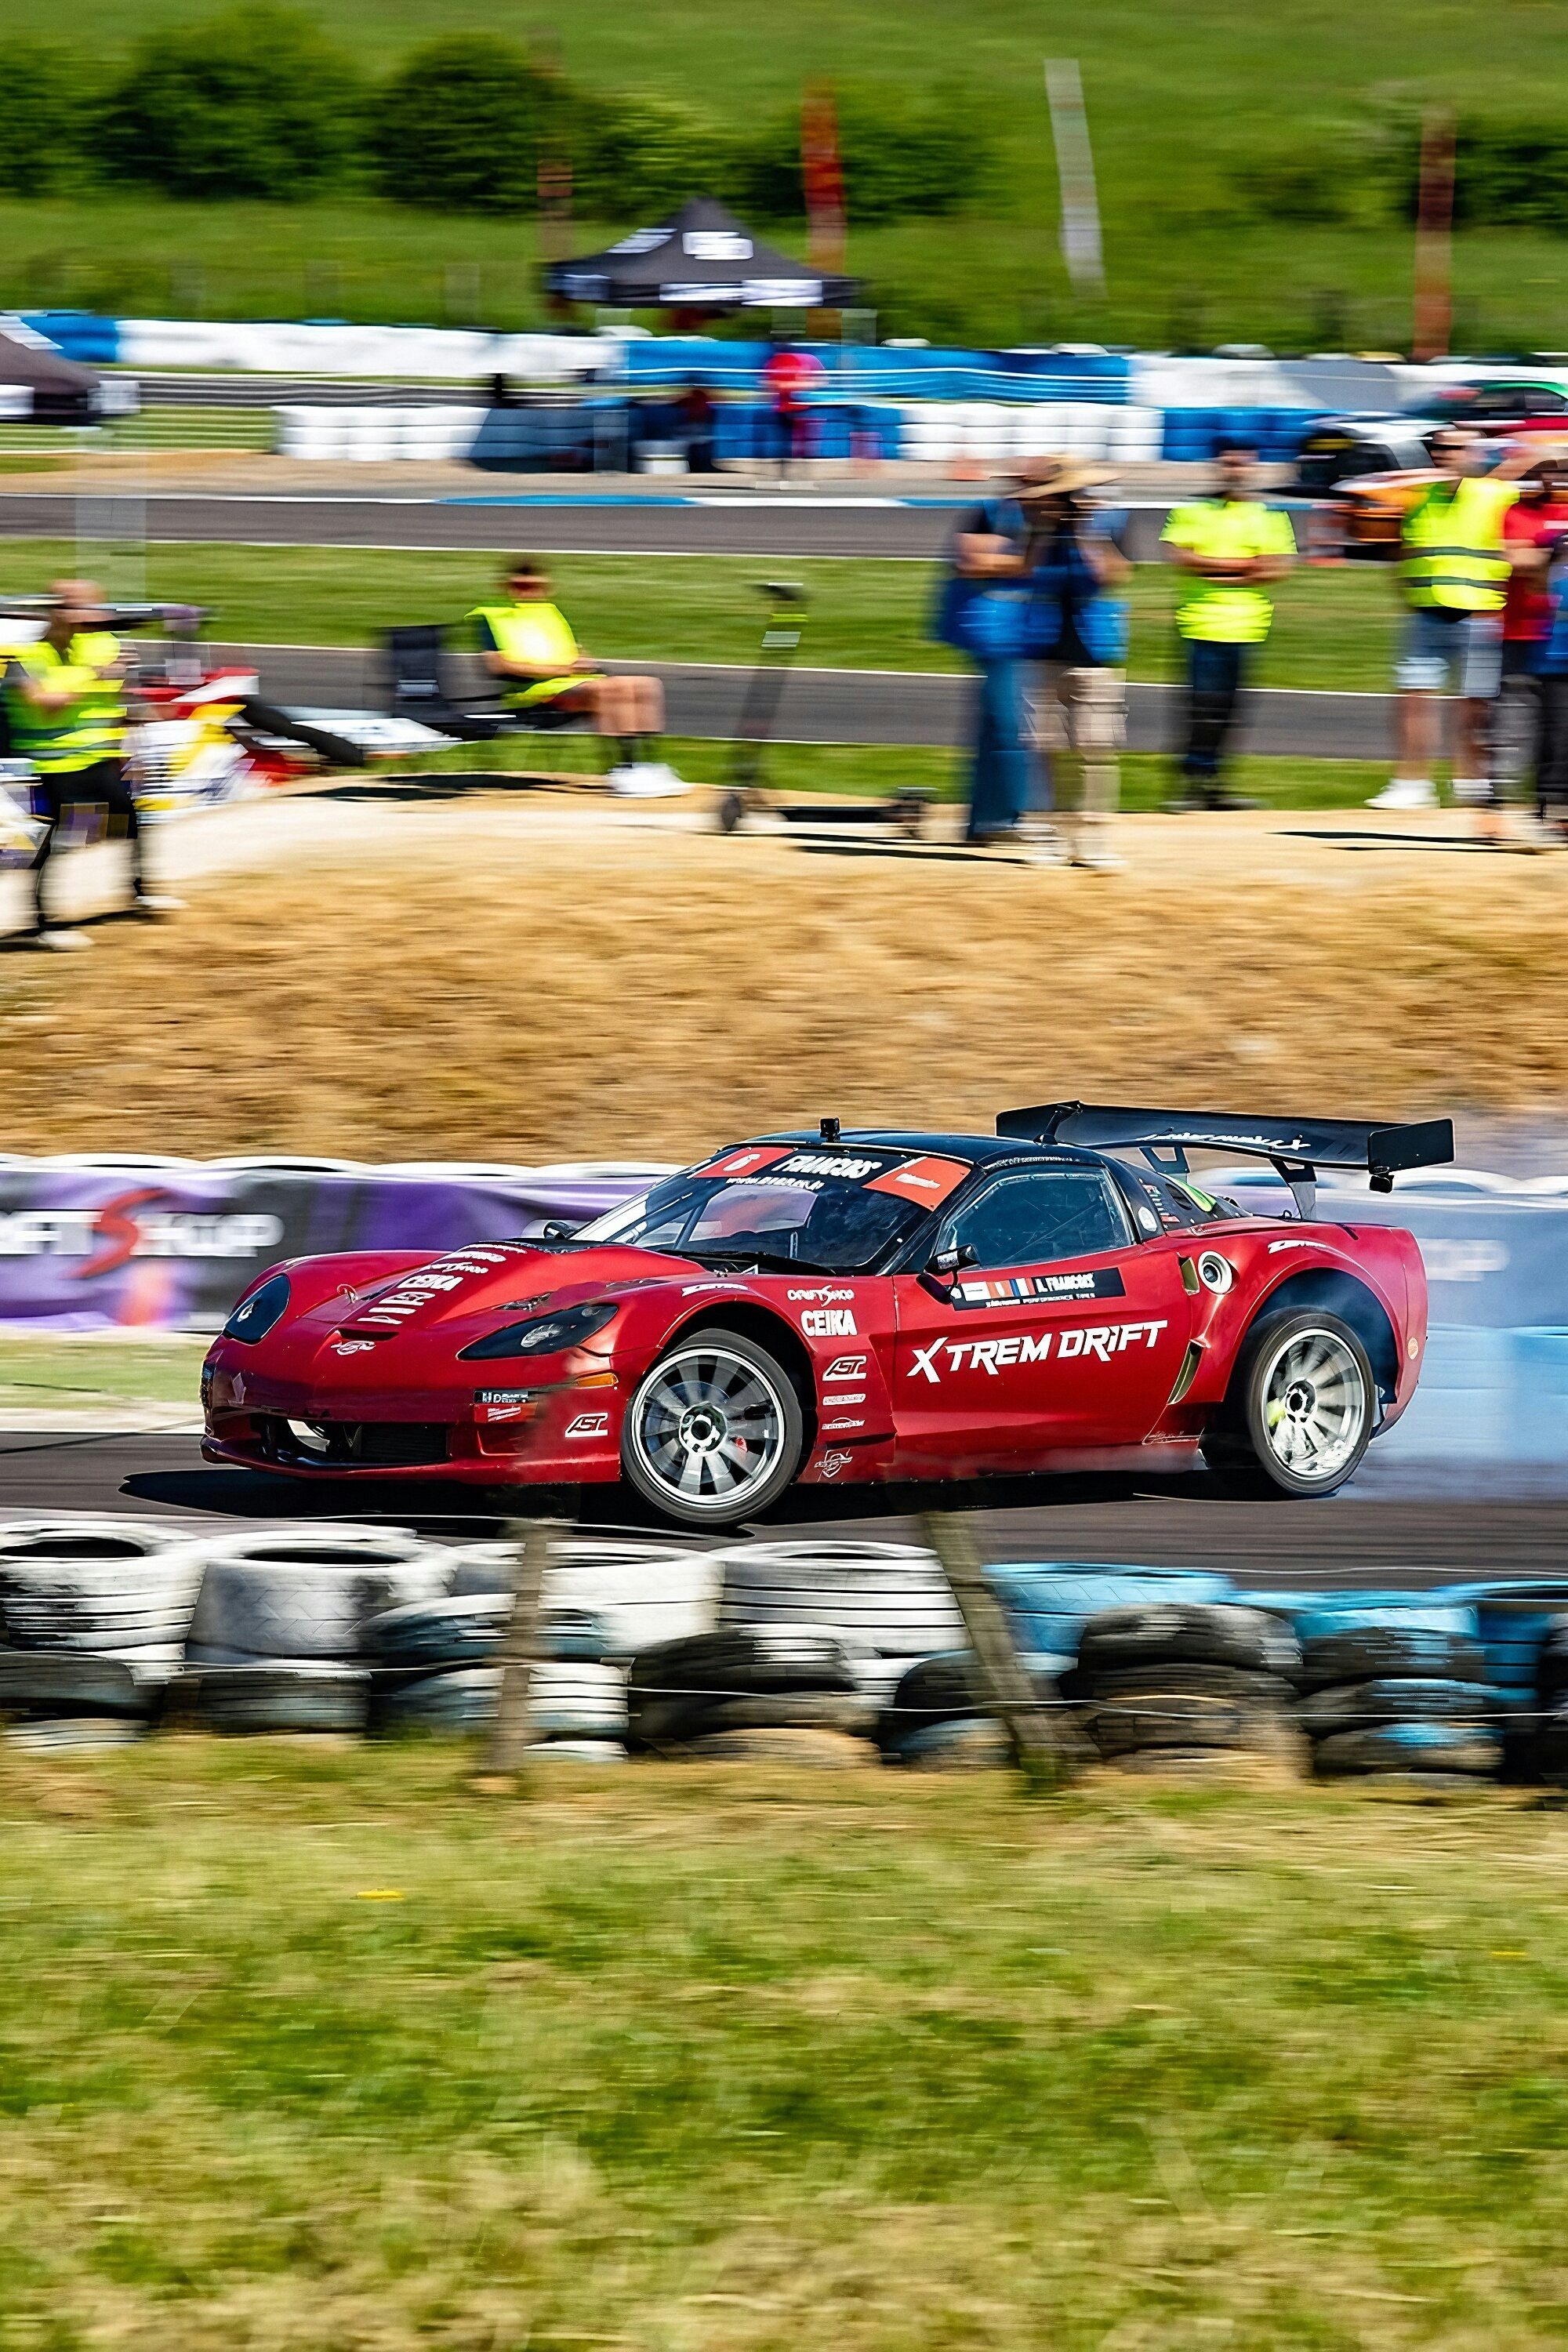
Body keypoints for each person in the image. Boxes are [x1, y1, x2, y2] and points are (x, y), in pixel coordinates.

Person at [1370, 426, 1535, 815]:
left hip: (1480, 615)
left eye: (1454, 449)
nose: (1444, 455)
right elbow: (1404, 552)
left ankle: (1473, 782)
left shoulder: (1495, 493)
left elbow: (1537, 469)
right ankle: (1412, 784)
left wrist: (1516, 456)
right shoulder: (1418, 498)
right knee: (1414, 700)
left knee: (1474, 707)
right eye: (1437, 449)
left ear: (1473, 453)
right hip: (1427, 614)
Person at [2, 579, 175, 949]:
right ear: (56, 611)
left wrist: (133, 721)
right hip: (54, 766)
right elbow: (48, 702)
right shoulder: (29, 657)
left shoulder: (99, 646)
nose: (87, 616)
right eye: (74, 607)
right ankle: (45, 925)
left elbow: (115, 698)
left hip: (94, 759)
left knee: (131, 821)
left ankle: (140, 893)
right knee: (59, 843)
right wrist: (95, 675)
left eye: (91, 608)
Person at [469, 557, 684, 797]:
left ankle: (648, 766)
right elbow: (499, 665)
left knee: (646, 685)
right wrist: (561, 670)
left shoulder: (550, 613)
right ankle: (625, 770)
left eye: (534, 587)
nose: (528, 593)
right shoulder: (493, 616)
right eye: (521, 587)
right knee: (608, 692)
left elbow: (576, 651)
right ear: (507, 587)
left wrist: (584, 662)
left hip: (571, 683)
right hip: (535, 694)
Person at [1160, 441, 1296, 810]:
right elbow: (1180, 557)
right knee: (1200, 708)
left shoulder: (1269, 516)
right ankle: (1192, 784)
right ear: (1218, 467)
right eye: (1229, 464)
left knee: (1231, 711)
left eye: (1242, 463)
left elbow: (1275, 568)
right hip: (1201, 623)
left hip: (1247, 626)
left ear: (1253, 468)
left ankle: (1217, 784)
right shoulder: (1192, 511)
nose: (1235, 470)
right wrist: (1242, 567)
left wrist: (1213, 566)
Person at [1019, 461, 1134, 869]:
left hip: (1095, 653)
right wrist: (1043, 527)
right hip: (1045, 651)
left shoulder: (1107, 526)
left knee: (1095, 749)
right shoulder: (1039, 533)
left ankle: (1092, 838)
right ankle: (1047, 834)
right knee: (1043, 748)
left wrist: (1086, 529)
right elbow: (1027, 572)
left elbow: (1111, 575)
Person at [937, 461, 1053, 848]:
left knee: (1000, 727)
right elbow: (972, 560)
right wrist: (1026, 560)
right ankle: (1000, 818)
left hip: (1022, 634)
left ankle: (988, 821)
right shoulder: (991, 513)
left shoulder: (1042, 520)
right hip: (997, 634)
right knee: (1010, 727)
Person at [1491, 452, 1568, 829]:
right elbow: (1512, 559)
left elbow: (1528, 560)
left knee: (1559, 728)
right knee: (1527, 725)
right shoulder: (1519, 512)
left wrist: (1541, 555)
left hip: (1556, 639)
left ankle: (1554, 812)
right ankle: (1506, 805)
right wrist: (1552, 553)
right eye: (1555, 475)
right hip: (1530, 634)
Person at [760, 337, 826, 481]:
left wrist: (793, 387)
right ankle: (792, 472)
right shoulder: (779, 362)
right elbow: (769, 383)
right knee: (791, 441)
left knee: (793, 441)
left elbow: (768, 383)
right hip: (789, 408)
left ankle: (793, 472)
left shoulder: (786, 362)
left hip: (794, 407)